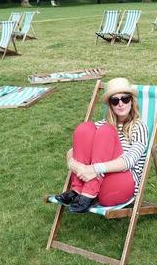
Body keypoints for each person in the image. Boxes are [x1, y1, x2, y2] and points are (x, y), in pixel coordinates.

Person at [55, 77, 148, 213]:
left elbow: (129, 160)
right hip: (98, 185)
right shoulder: (101, 125)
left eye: (125, 99)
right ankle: (78, 190)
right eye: (115, 101)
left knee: (106, 130)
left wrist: (94, 169)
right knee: (84, 128)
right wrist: (74, 165)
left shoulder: (139, 127)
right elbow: (72, 151)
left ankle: (88, 193)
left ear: (132, 101)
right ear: (110, 105)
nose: (120, 104)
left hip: (119, 185)